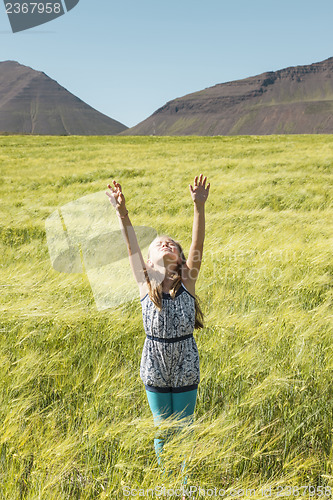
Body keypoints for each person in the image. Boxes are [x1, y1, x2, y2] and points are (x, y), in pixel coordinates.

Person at [105, 174, 210, 481]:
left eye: (171, 244)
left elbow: (197, 243)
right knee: (162, 427)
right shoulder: (144, 282)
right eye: (158, 244)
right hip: (153, 362)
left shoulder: (187, 282)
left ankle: (185, 482)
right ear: (149, 261)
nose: (166, 243)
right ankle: (168, 479)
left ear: (179, 259)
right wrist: (122, 213)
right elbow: (130, 247)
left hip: (185, 362)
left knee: (184, 427)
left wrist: (198, 207)